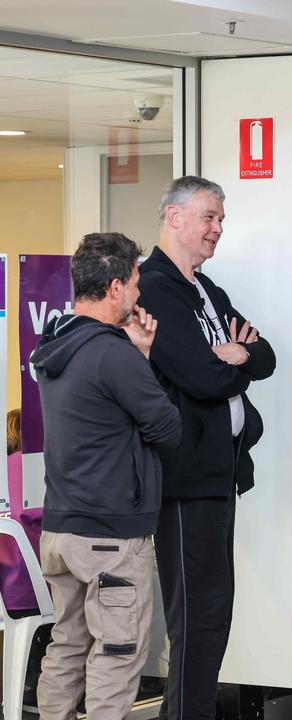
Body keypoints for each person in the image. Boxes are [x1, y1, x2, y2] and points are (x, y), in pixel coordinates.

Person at [139, 176, 277, 720]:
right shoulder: (154, 286)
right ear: (174, 217)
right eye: (209, 217)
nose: (218, 228)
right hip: (185, 480)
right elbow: (199, 377)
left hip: (221, 475)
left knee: (215, 612)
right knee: (195, 618)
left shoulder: (206, 290)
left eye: (220, 218)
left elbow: (263, 355)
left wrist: (239, 357)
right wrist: (231, 361)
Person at [31, 232, 181, 718]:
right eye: (135, 282)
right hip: (110, 538)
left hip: (61, 530)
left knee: (67, 648)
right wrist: (142, 357)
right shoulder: (113, 353)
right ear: (116, 287)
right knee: (117, 657)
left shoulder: (57, 344)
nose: (139, 294)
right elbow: (168, 428)